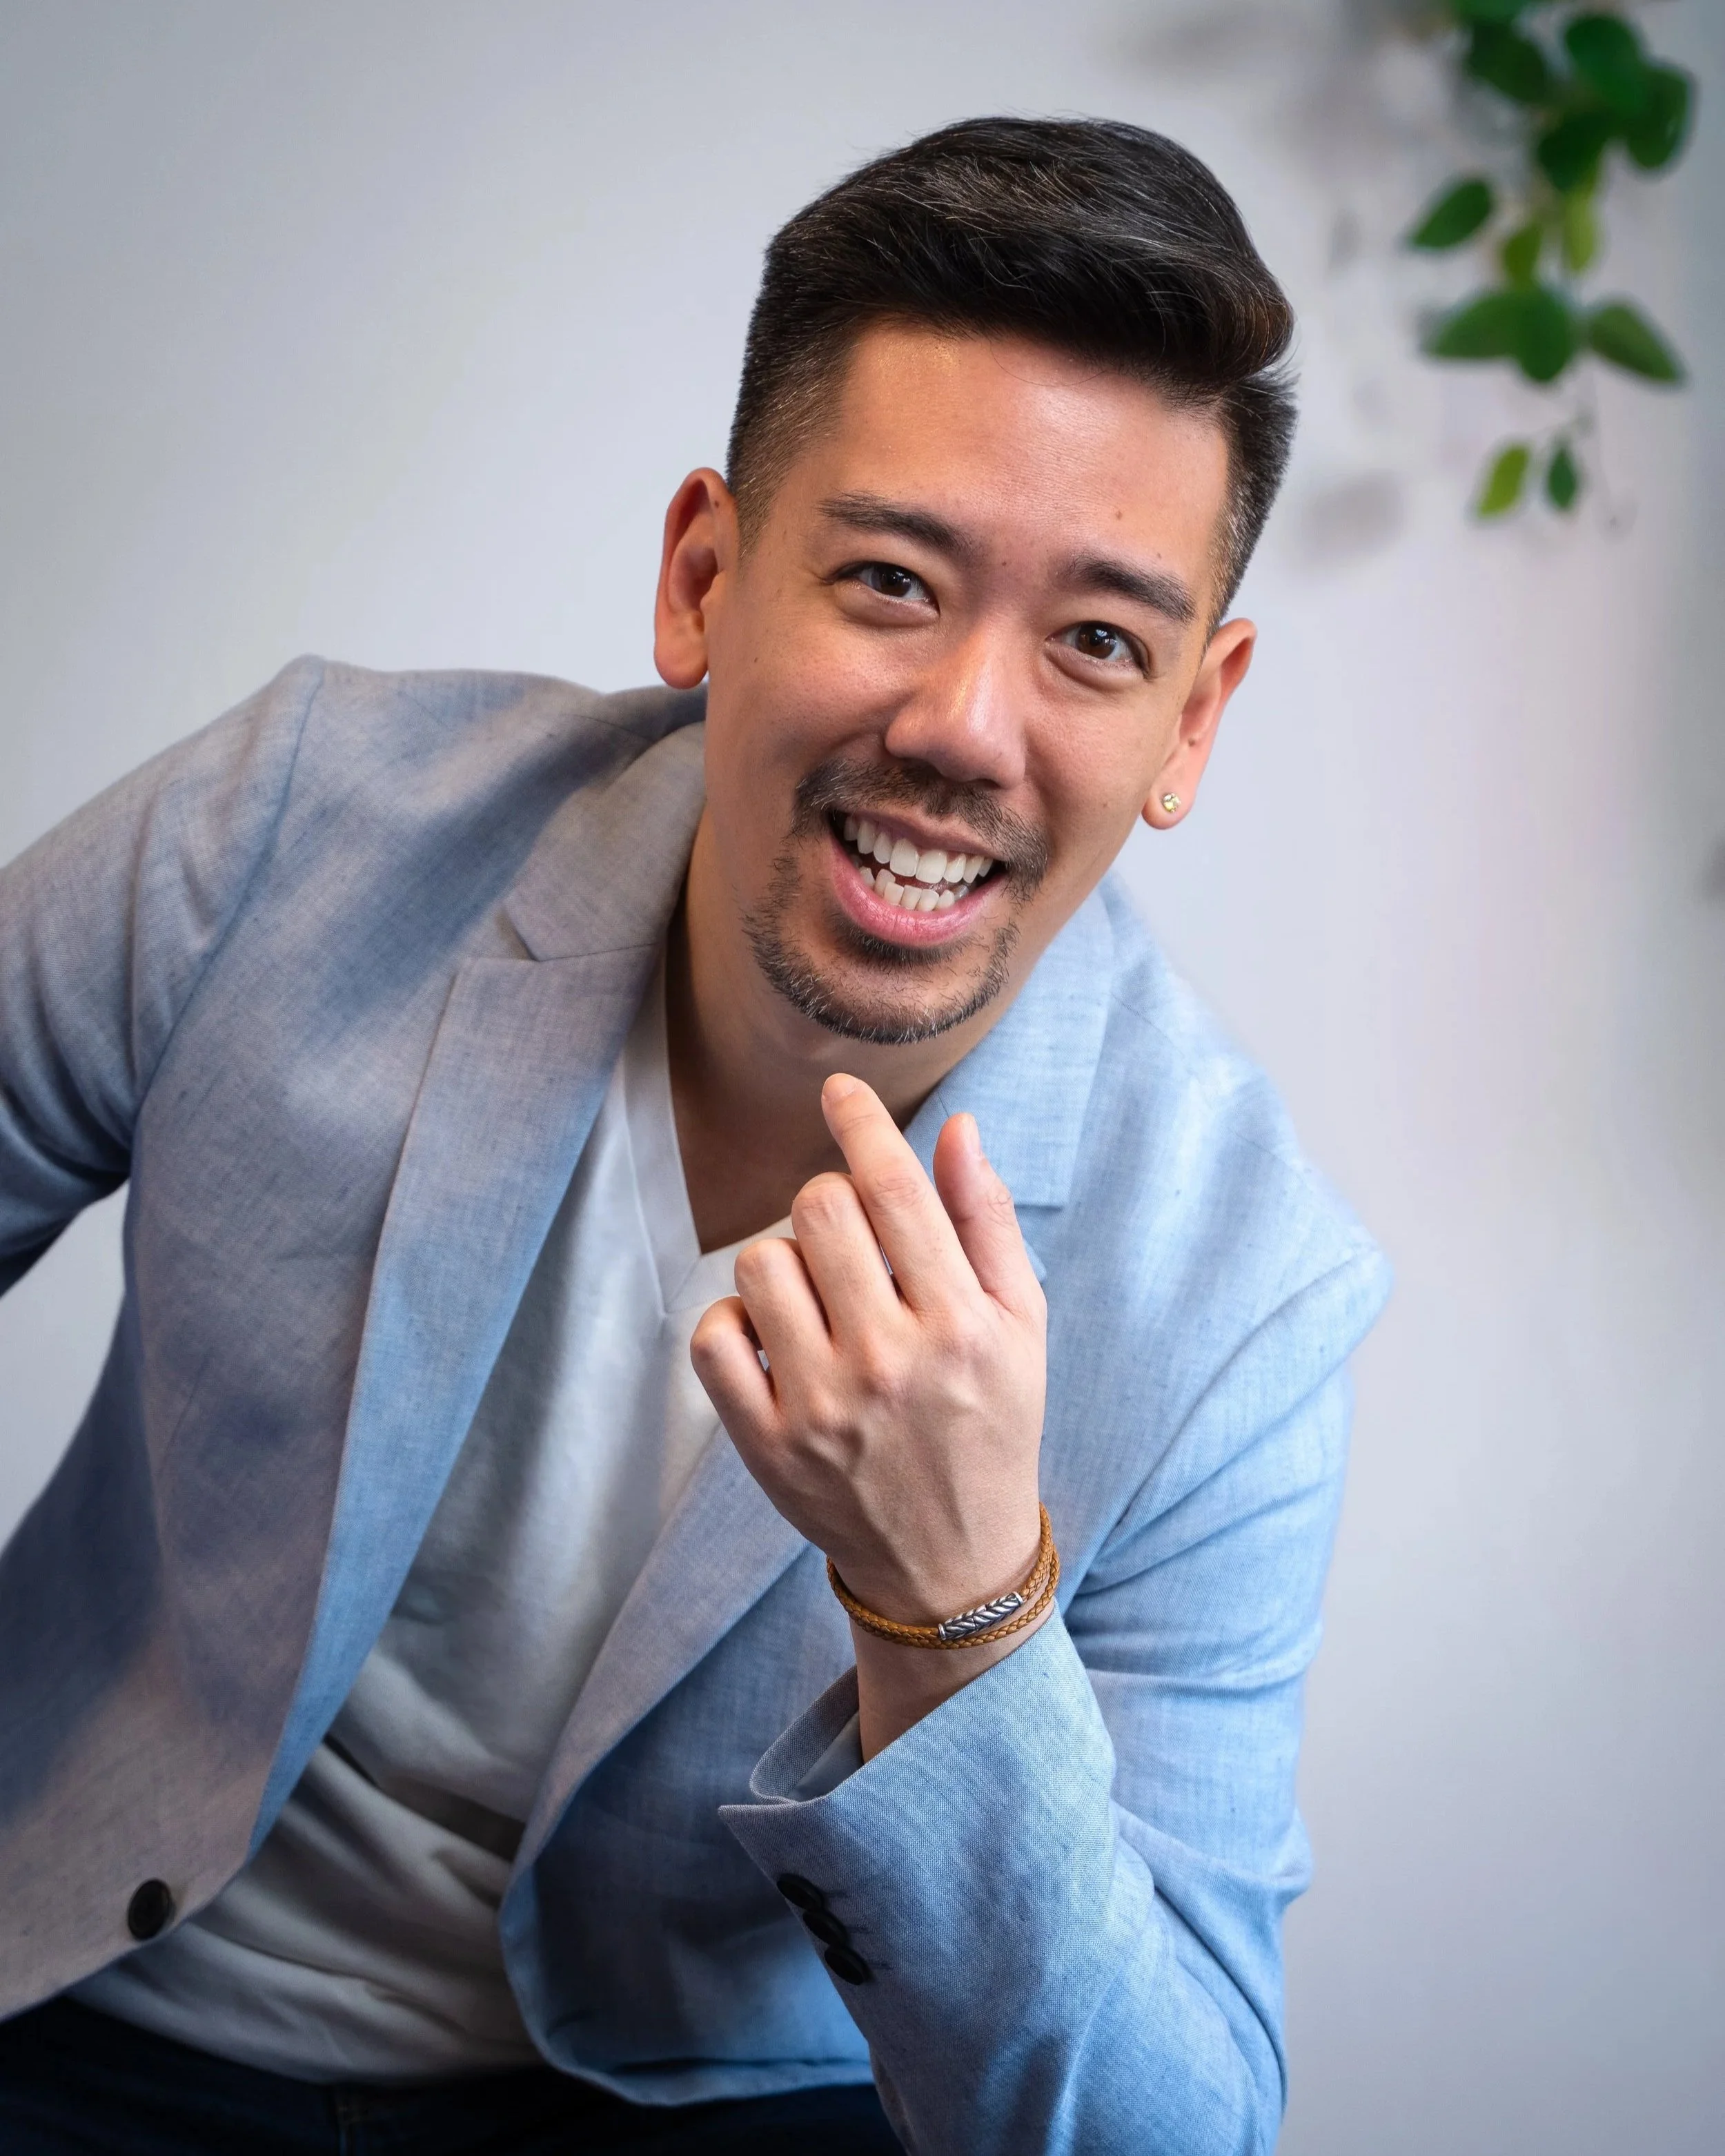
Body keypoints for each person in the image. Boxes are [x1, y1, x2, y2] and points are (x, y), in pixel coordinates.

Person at [0, 116, 1389, 2155]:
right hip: (107, 2003)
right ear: (704, 578)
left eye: (1098, 641)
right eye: (890, 581)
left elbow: (1158, 2132)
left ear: (1194, 713)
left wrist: (956, 1607)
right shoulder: (297, 833)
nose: (963, 729)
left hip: (717, 2108)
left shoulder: (1242, 1292)